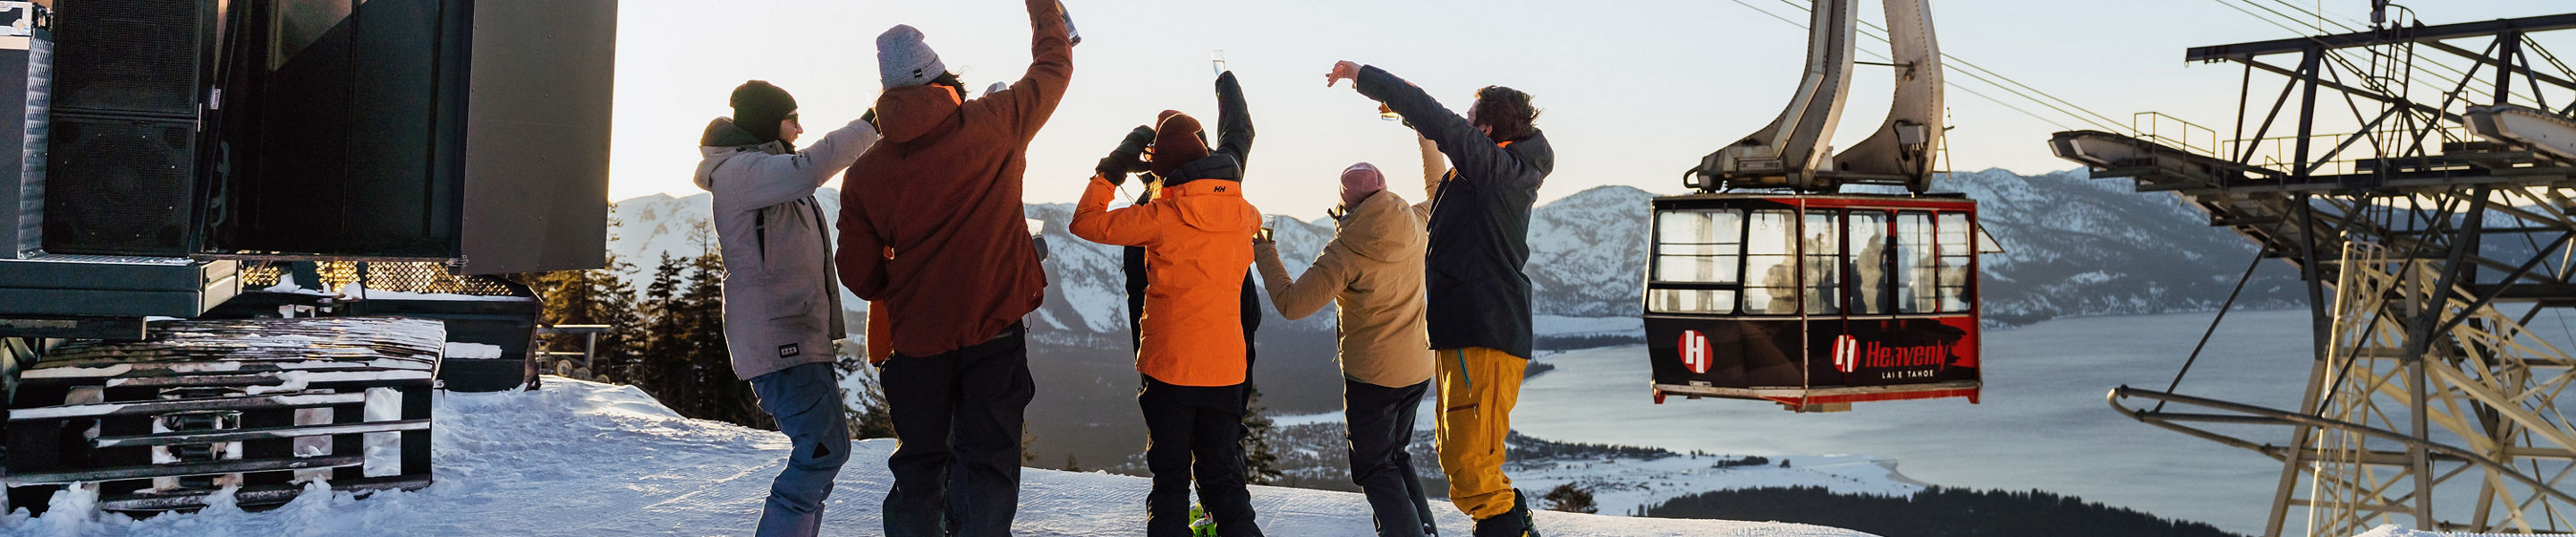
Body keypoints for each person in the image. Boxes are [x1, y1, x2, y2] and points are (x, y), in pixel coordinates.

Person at [835, 1, 1072, 534]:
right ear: (943, 77)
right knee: (987, 460)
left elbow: (857, 273)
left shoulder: (866, 173)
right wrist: (1043, 9)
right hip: (994, 331)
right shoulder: (996, 121)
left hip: (916, 343)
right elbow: (1054, 66)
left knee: (920, 464)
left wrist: (904, 282)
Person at [1326, 60, 1553, 537]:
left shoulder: (1498, 172)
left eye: (1471, 123)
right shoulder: (1484, 175)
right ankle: (1513, 521)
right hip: (1461, 330)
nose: (1463, 129)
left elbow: (1442, 122)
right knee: (1461, 459)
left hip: (1484, 331)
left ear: (1486, 130)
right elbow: (1441, 132)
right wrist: (1412, 120)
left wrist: (1364, 76)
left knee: (1471, 472)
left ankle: (1508, 527)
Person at [693, 80, 882, 537]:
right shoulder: (743, 171)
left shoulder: (763, 172)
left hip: (794, 332)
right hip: (780, 336)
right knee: (821, 448)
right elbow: (811, 167)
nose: (800, 128)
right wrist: (871, 124)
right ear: (767, 122)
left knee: (827, 446)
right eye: (792, 118)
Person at [1071, 99, 1267, 535]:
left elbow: (1083, 223)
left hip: (1170, 367)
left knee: (1171, 481)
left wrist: (1112, 170)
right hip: (1227, 369)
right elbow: (1236, 142)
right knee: (1225, 480)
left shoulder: (1160, 217)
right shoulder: (1245, 214)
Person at [1250, 163, 1438, 537]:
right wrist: (1424, 133)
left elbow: (1292, 304)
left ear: (1345, 203)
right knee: (1396, 457)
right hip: (1418, 369)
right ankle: (1425, 531)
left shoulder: (1345, 251)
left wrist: (1264, 249)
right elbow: (1438, 190)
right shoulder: (1417, 221)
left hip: (1373, 378)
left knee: (1373, 467)